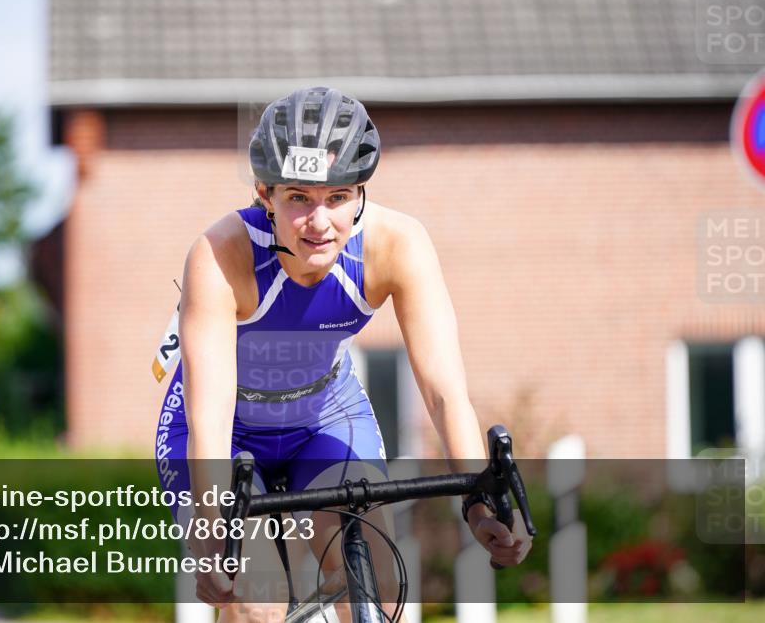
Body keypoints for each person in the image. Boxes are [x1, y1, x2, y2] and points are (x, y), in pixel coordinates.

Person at [154, 86, 532, 622]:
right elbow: (210, 419)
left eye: (338, 197)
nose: (320, 221)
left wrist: (481, 502)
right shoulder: (221, 253)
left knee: (382, 586)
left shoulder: (397, 245)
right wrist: (215, 537)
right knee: (257, 601)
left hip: (324, 417)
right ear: (264, 193)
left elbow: (444, 392)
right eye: (298, 198)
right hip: (223, 431)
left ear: (360, 194)